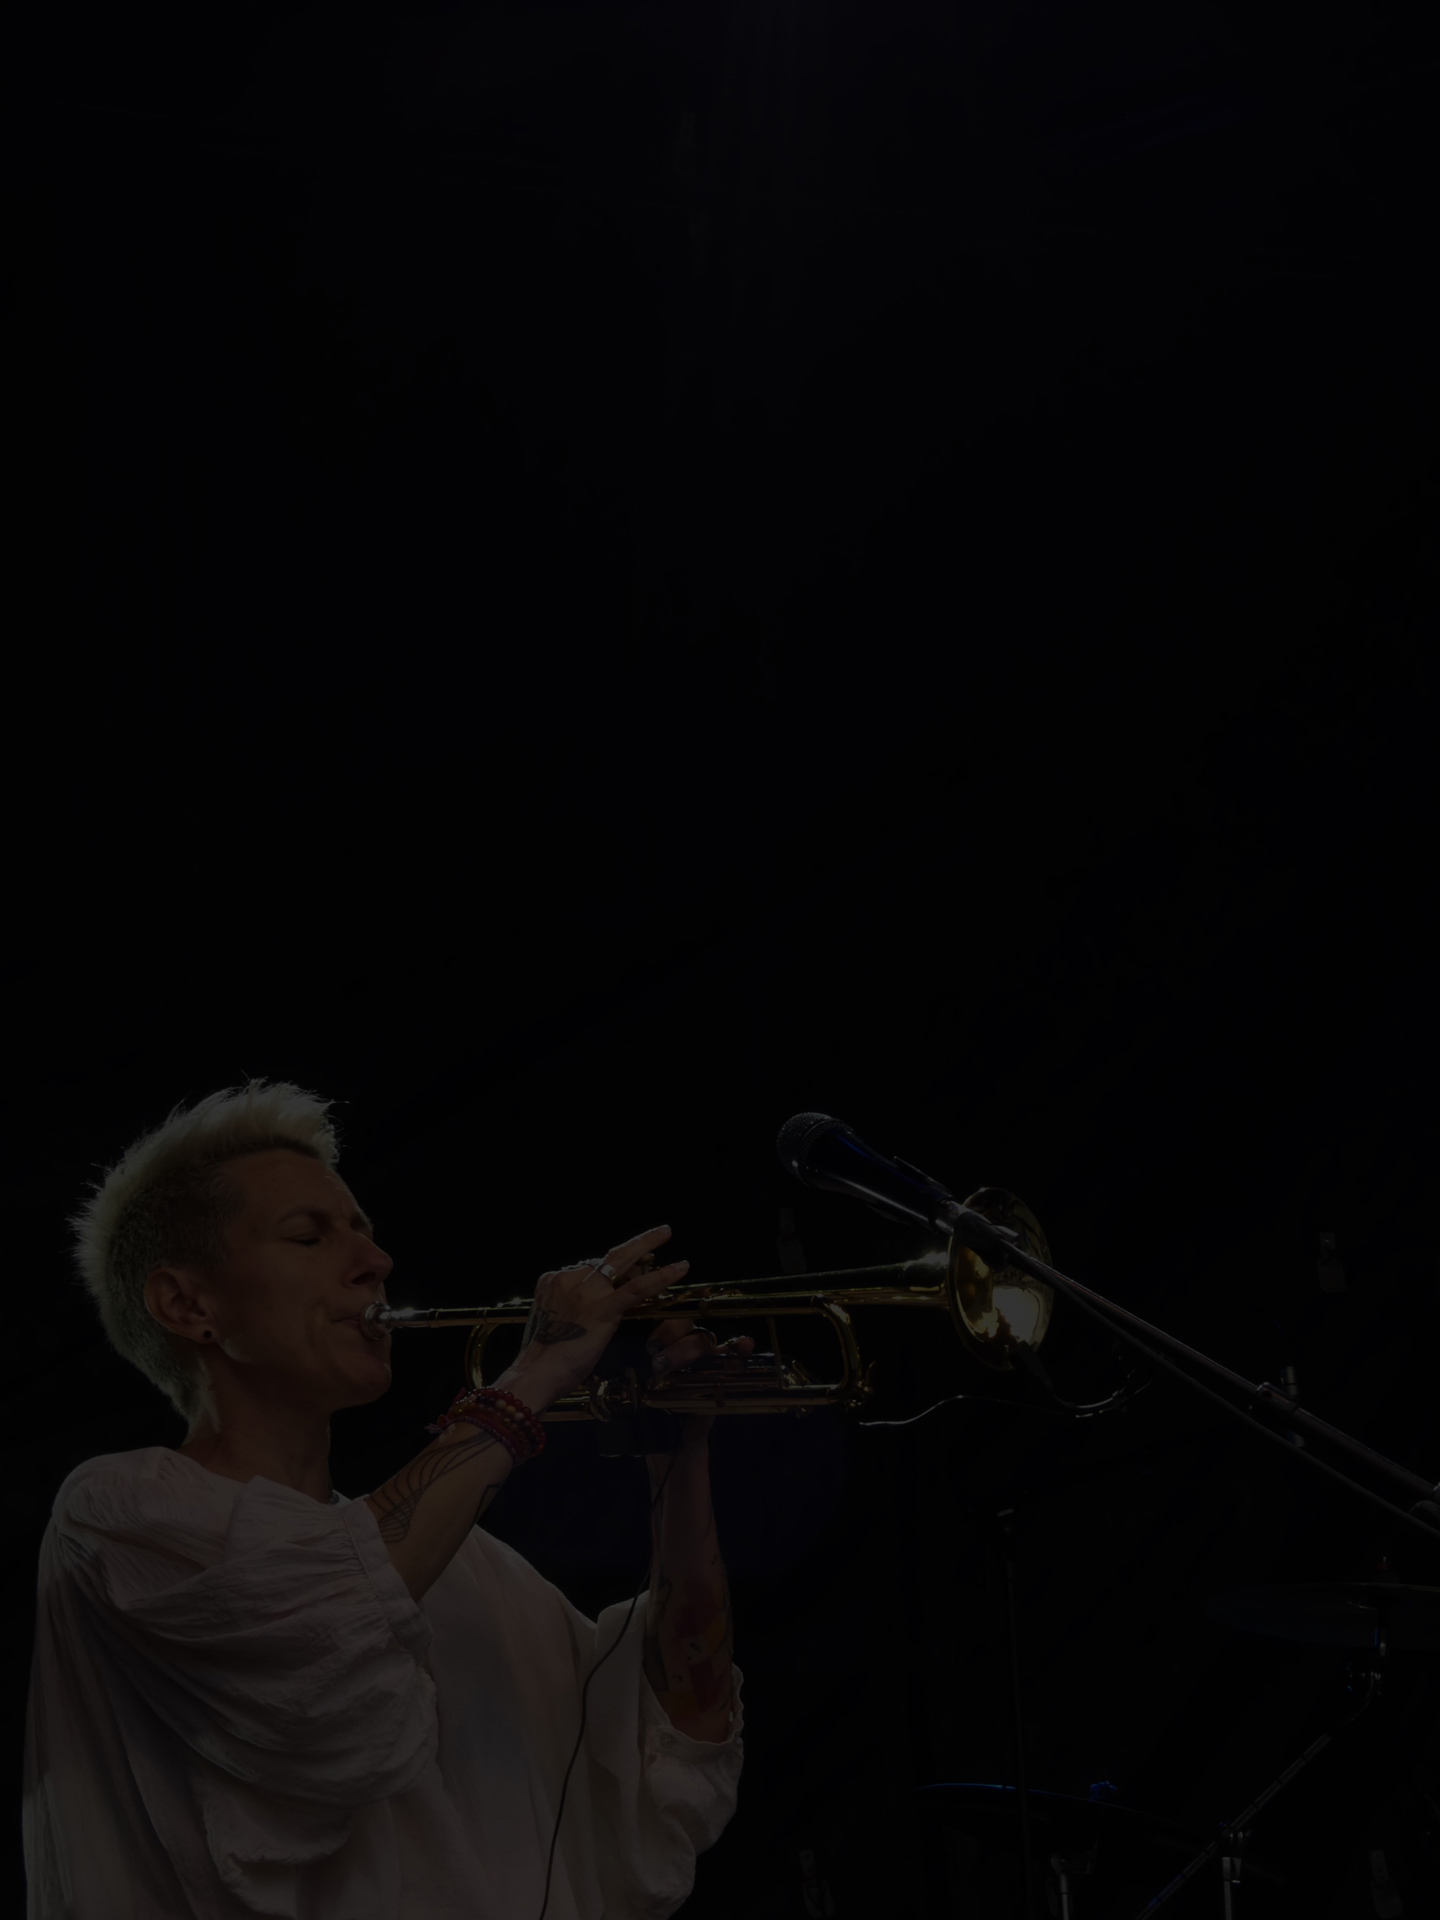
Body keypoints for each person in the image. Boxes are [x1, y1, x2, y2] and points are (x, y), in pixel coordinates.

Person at [23, 1080, 745, 1919]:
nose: (376, 1261)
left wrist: (678, 1454)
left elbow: (673, 1735)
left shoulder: (469, 1565)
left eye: (363, 1229)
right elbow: (323, 1627)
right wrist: (537, 1370)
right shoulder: (115, 1515)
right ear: (188, 1305)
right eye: (309, 1235)